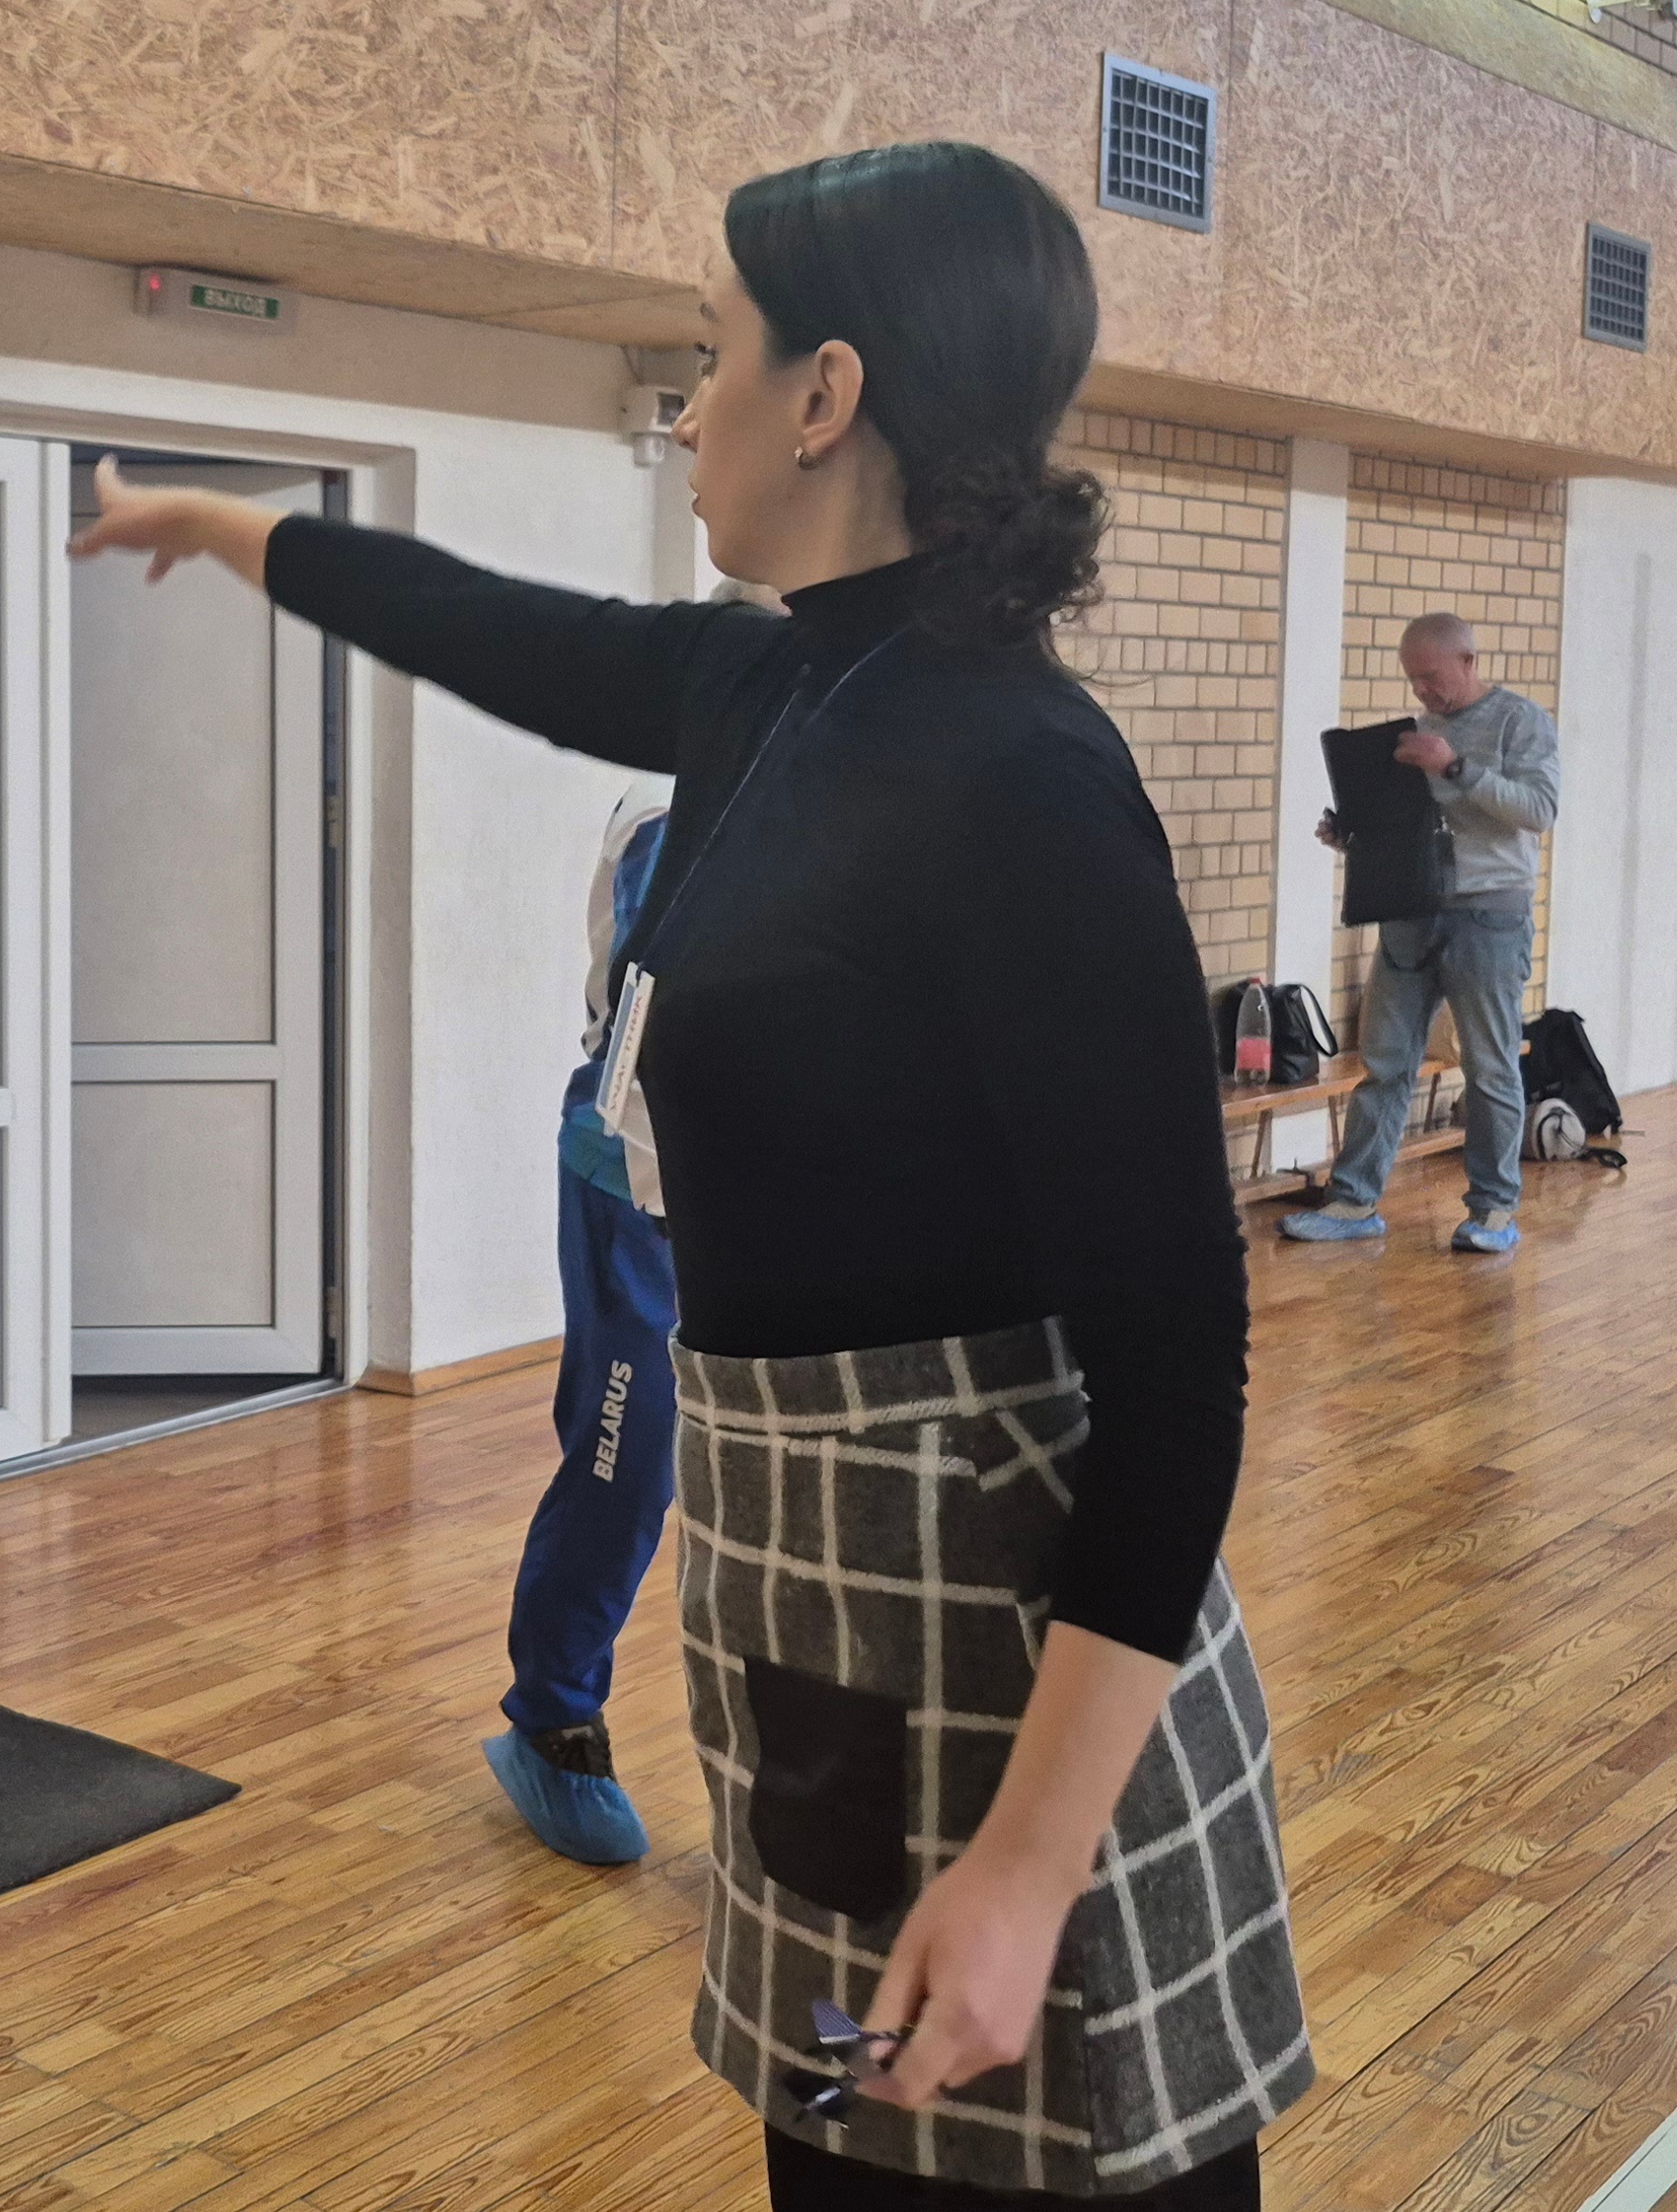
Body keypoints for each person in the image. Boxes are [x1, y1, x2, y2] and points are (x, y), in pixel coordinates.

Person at [72, 140, 1308, 2209]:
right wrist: (224, 525)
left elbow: (1180, 1369)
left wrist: (1027, 1869)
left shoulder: (1022, 776)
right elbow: (497, 629)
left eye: (710, 356)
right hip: (813, 1623)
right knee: (836, 2160)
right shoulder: (772, 683)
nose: (683, 410)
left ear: (827, 394)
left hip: (1022, 1682)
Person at [484, 774, 679, 1867]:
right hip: (638, 1183)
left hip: (794, 1192)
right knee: (629, 1455)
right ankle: (553, 1720)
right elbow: (660, 1014)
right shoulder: (672, 809)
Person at [1283, 613, 1562, 1254]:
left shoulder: (1519, 722)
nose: (1421, 691)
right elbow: (1409, 826)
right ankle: (1353, 1202)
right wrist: (1353, 833)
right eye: (1412, 679)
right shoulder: (1414, 733)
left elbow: (1538, 810)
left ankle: (1493, 1212)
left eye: (1431, 676)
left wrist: (1455, 766)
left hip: (1488, 916)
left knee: (1489, 1067)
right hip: (1409, 911)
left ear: (1468, 661)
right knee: (1383, 1064)